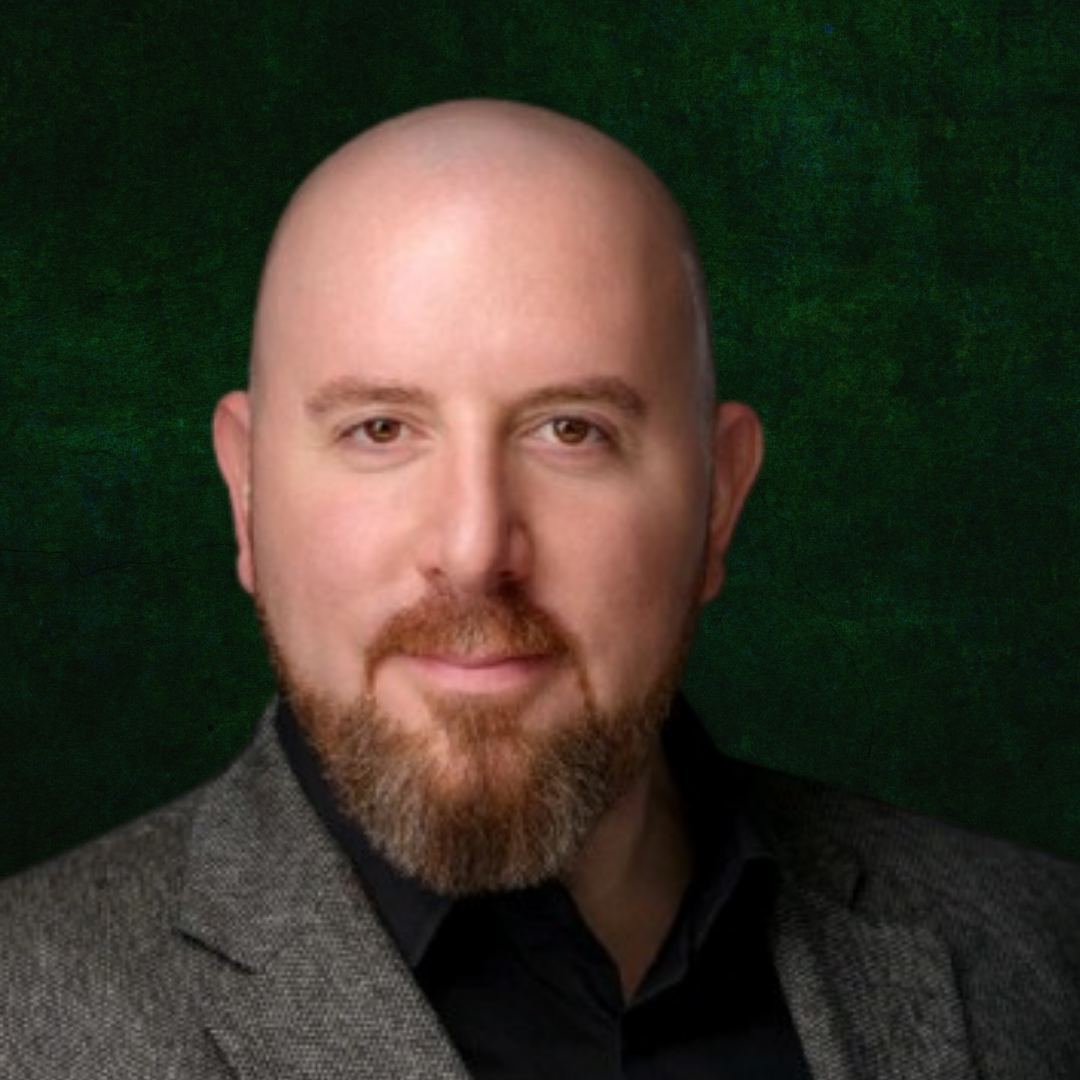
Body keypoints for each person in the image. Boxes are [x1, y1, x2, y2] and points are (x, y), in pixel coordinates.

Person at [1, 99, 1078, 1079]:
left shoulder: (1044, 952)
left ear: (719, 499)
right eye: (380, 429)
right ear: (246, 493)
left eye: (572, 431)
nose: (475, 550)